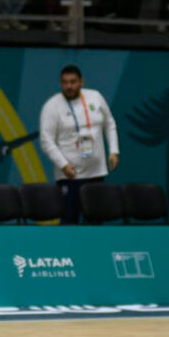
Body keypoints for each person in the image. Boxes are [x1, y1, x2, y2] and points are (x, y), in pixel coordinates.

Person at [39, 64, 120, 224]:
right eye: (65, 82)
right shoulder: (52, 106)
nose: (69, 86)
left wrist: (114, 151)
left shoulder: (95, 97)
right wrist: (63, 165)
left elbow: (109, 123)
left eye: (73, 82)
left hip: (96, 173)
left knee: (96, 221)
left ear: (81, 82)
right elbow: (46, 140)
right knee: (70, 221)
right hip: (70, 175)